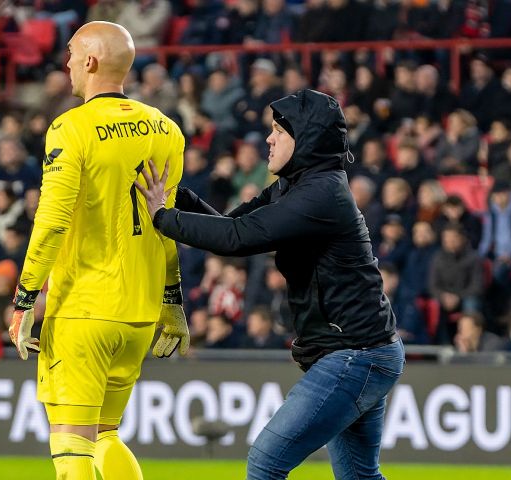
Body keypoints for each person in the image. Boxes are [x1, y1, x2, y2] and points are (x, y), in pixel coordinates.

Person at [136, 88, 403, 480]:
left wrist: (162, 215)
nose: (268, 138)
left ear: (306, 138)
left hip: (354, 355)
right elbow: (231, 224)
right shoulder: (299, 186)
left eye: (279, 129)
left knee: (265, 462)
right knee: (359, 476)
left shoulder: (321, 194)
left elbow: (238, 238)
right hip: (363, 352)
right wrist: (180, 197)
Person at [7, 22, 187, 480]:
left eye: (70, 54)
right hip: (140, 313)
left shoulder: (71, 128)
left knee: (71, 449)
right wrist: (172, 302)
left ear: (89, 62)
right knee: (105, 434)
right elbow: (167, 224)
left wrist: (25, 298)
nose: (66, 63)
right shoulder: (166, 130)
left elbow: (51, 222)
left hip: (85, 309)